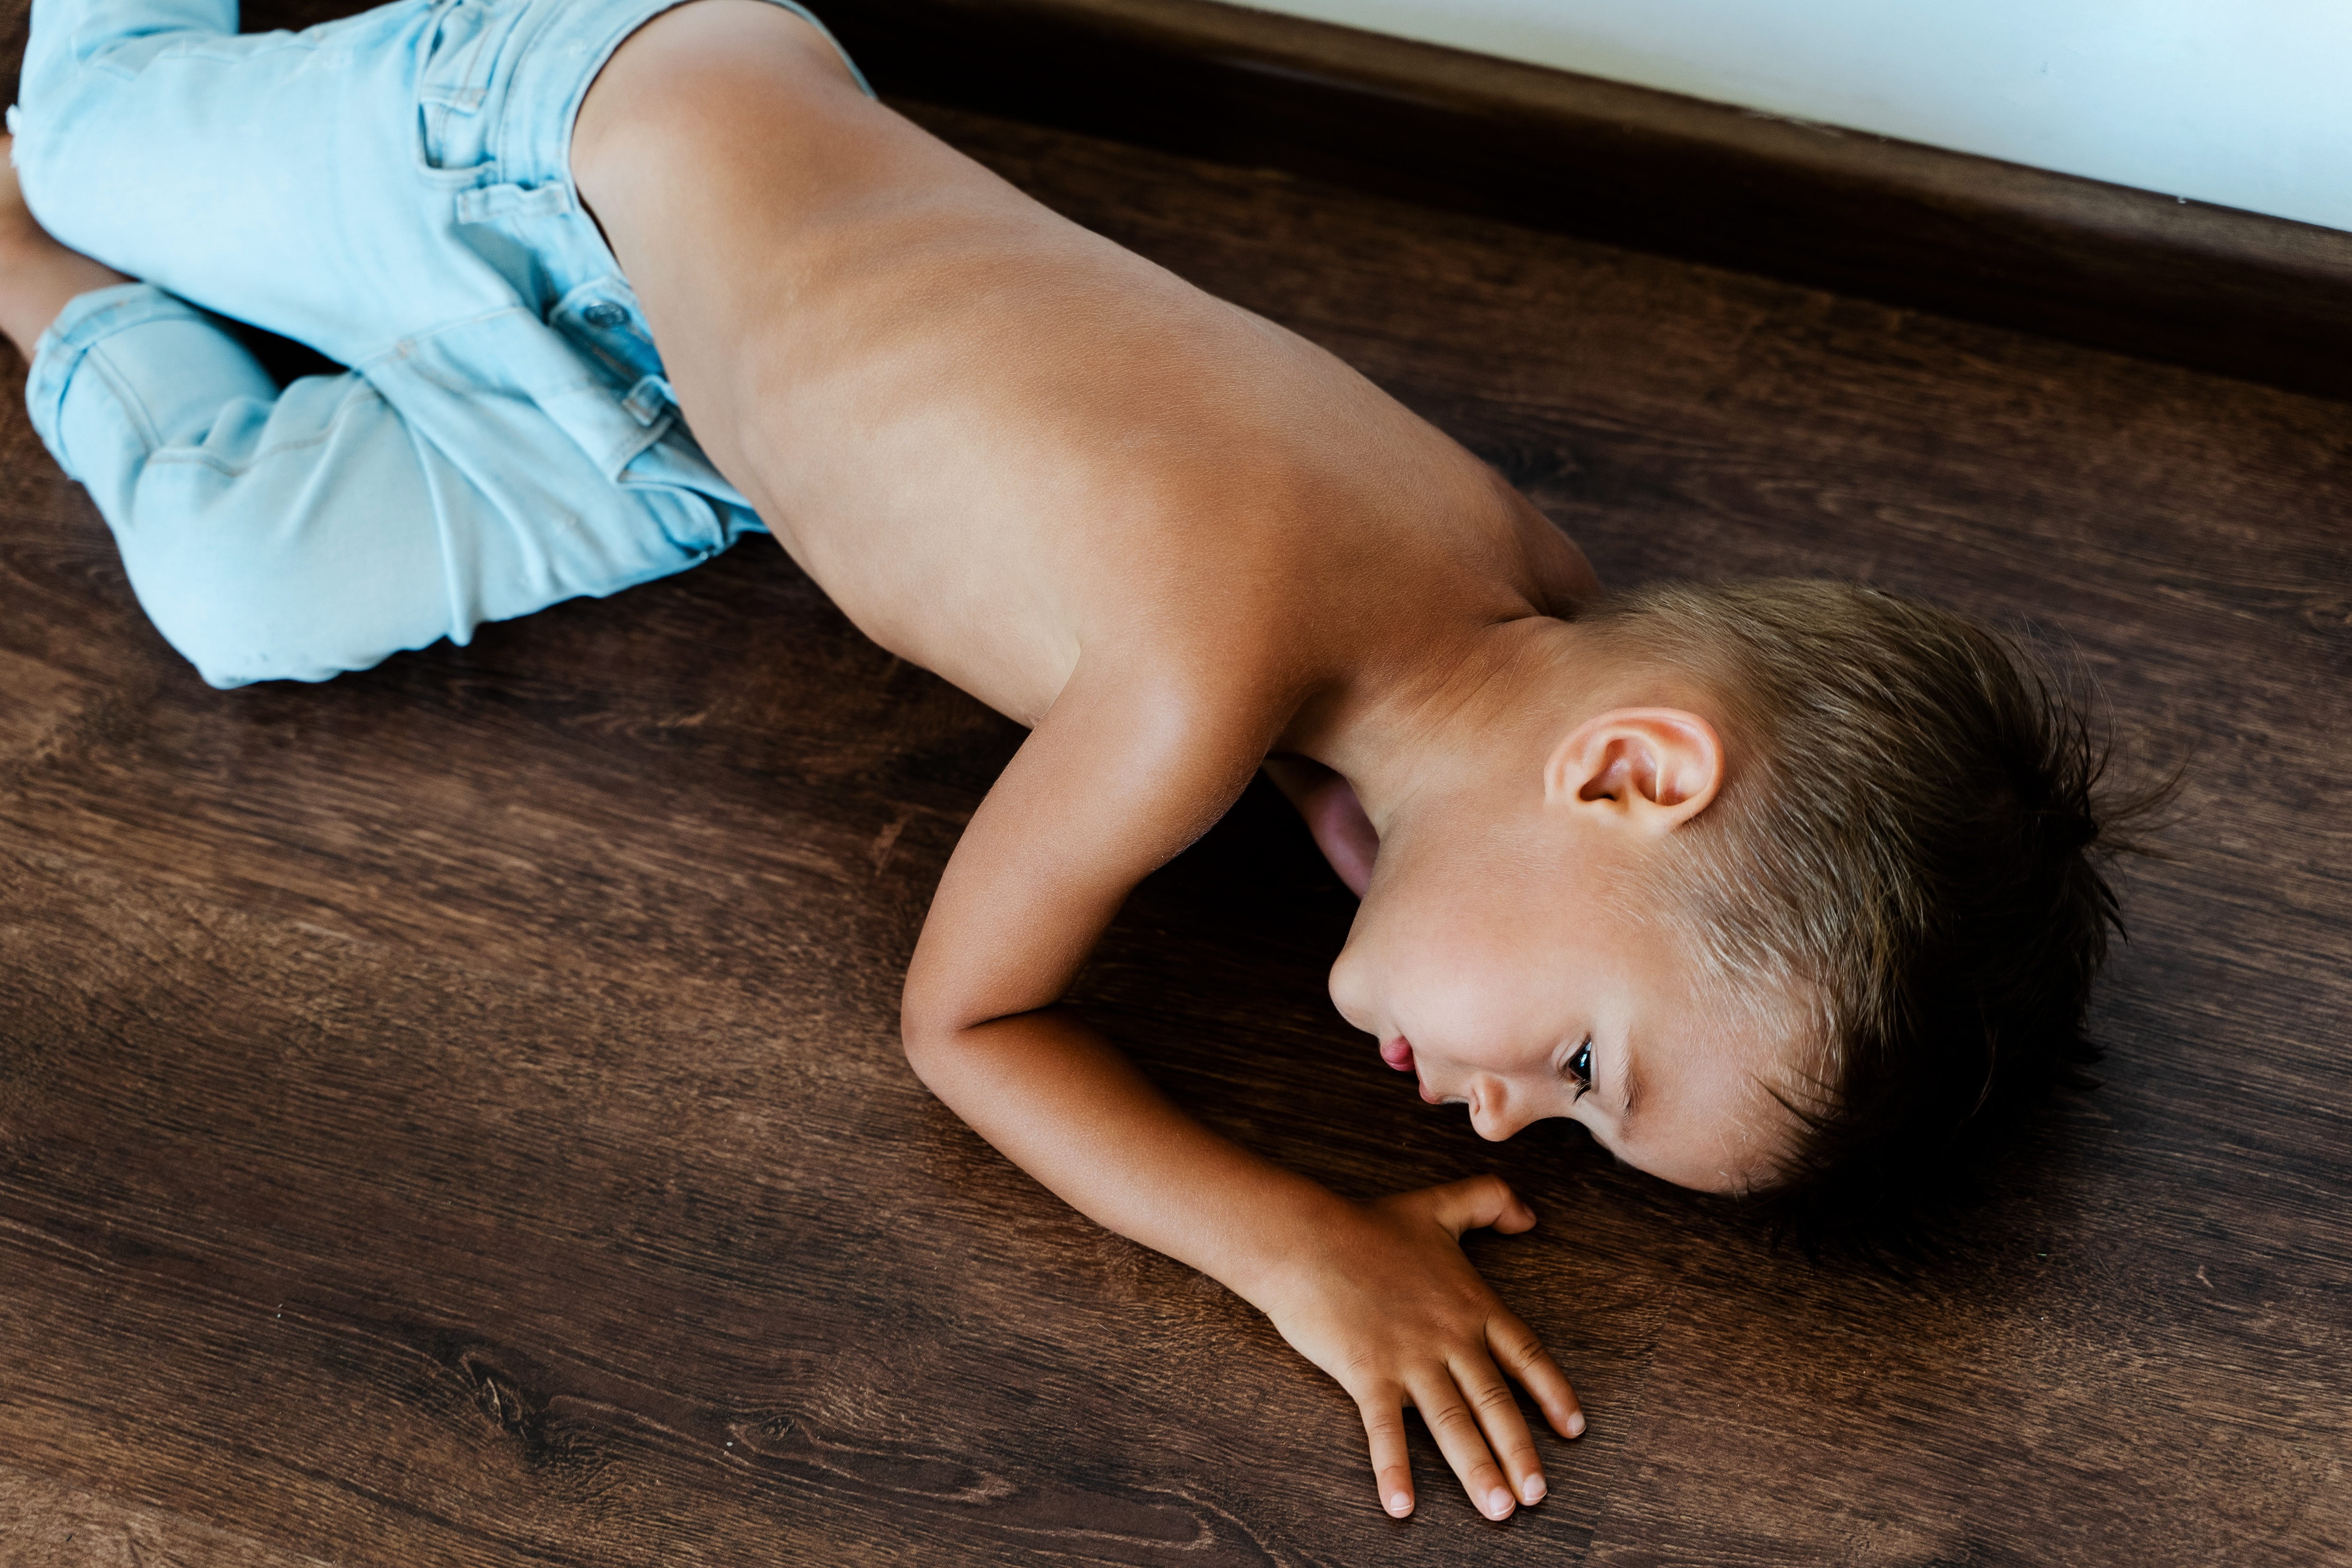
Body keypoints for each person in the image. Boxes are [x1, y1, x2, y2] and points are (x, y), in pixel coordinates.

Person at [1, 0, 2141, 1522]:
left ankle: (28, 269)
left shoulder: (1515, 583)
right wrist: (1296, 1244)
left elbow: (1363, 795)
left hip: (674, 425)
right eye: (1580, 1067)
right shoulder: (1196, 670)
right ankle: (89, 146)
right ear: (1626, 777)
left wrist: (1401, 882)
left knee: (241, 591)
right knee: (103, 129)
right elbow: (971, 1021)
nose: (1503, 1117)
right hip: (558, 148)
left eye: (1556, 1130)